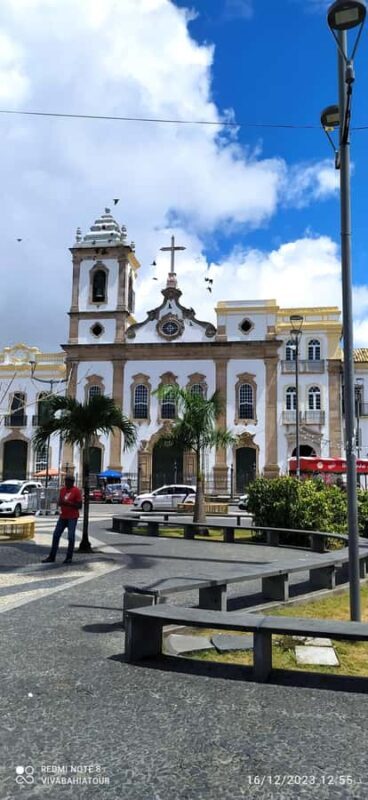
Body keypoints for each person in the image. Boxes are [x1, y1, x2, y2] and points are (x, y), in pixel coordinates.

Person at [42, 476, 83, 565]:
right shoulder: (62, 490)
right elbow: (60, 502)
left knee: (71, 537)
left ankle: (69, 557)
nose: (67, 483)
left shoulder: (76, 491)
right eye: (66, 481)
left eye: (69, 481)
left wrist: (69, 503)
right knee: (56, 535)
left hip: (72, 517)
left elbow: (79, 505)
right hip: (63, 516)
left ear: (72, 482)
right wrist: (60, 502)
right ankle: (52, 556)